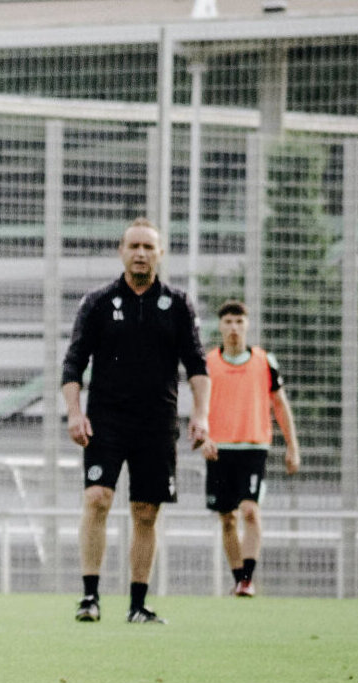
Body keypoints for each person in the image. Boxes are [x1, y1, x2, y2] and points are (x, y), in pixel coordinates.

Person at [60, 218, 211, 624]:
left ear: (160, 253)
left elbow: (197, 364)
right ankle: (89, 597)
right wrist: (74, 412)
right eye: (134, 246)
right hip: (105, 421)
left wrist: (201, 416)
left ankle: (138, 605)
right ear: (121, 251)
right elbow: (73, 363)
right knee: (97, 498)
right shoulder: (97, 302)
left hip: (156, 424)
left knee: (146, 511)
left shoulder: (178, 304)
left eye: (148, 247)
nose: (141, 253)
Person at [202, 301, 299, 598]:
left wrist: (292, 446)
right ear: (221, 326)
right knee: (227, 517)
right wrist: (203, 437)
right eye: (228, 322)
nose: (234, 327)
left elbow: (280, 404)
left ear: (247, 325)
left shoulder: (264, 361)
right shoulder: (208, 363)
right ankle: (238, 580)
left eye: (239, 321)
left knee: (250, 511)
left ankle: (247, 579)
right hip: (219, 448)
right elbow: (198, 405)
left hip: (253, 447)